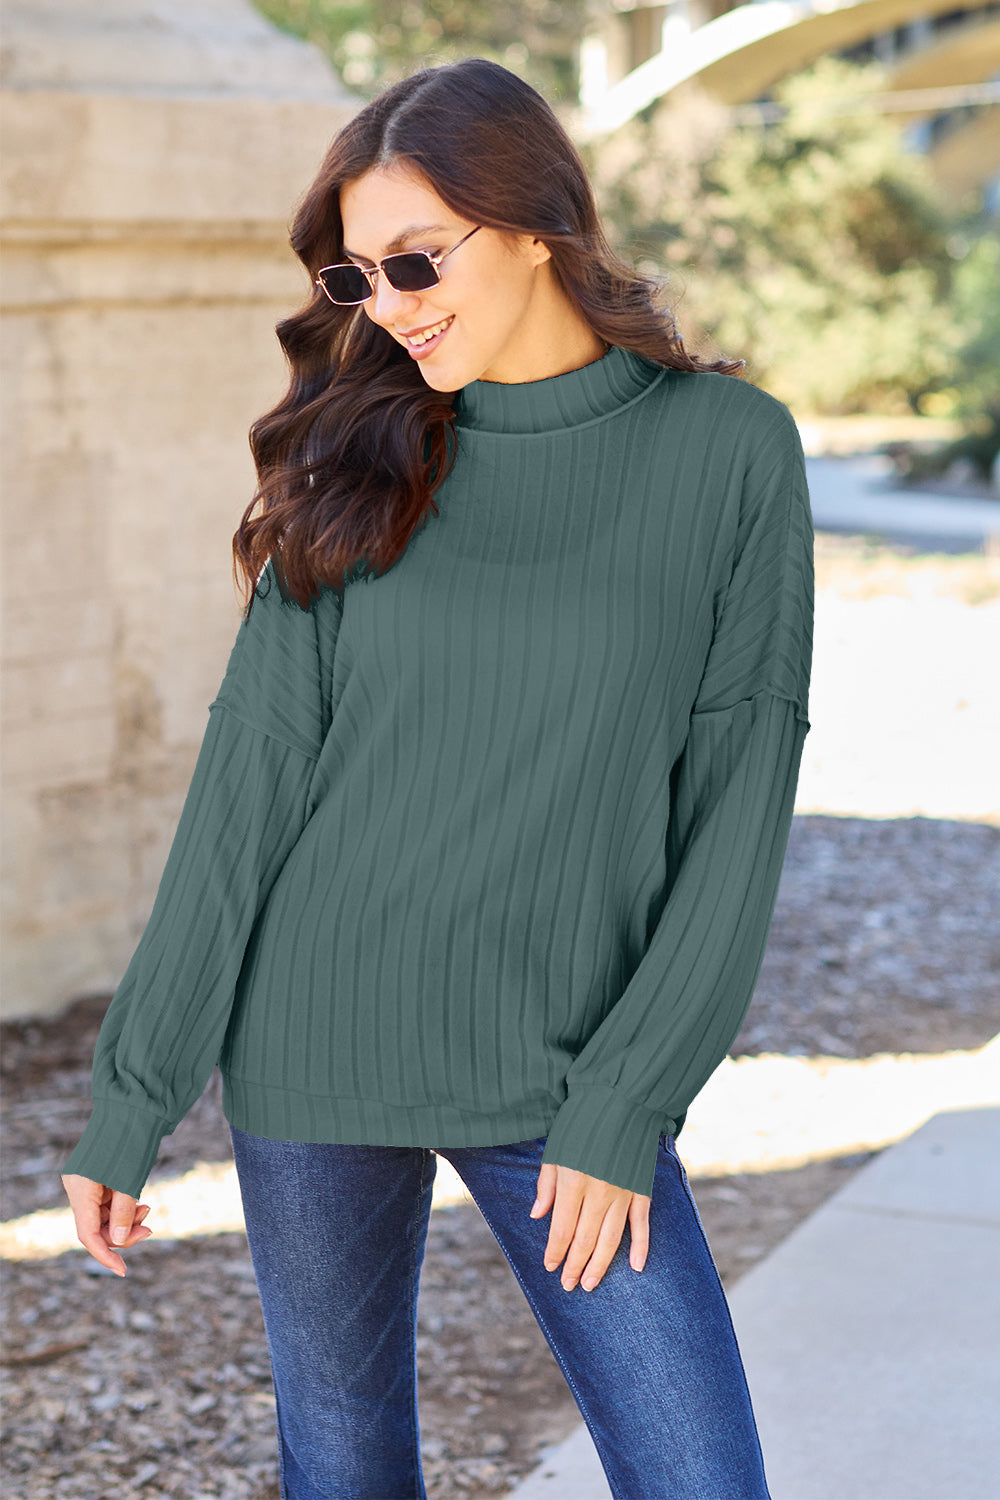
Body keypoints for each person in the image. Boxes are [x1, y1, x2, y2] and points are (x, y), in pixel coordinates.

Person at [63, 56, 813, 1500]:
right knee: (345, 1477)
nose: (392, 307)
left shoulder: (730, 452)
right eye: (357, 280)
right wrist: (131, 1094)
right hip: (314, 1046)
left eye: (416, 261)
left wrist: (627, 1101)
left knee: (700, 1478)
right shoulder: (358, 456)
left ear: (536, 223)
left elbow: (738, 798)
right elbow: (250, 789)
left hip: (567, 1061)